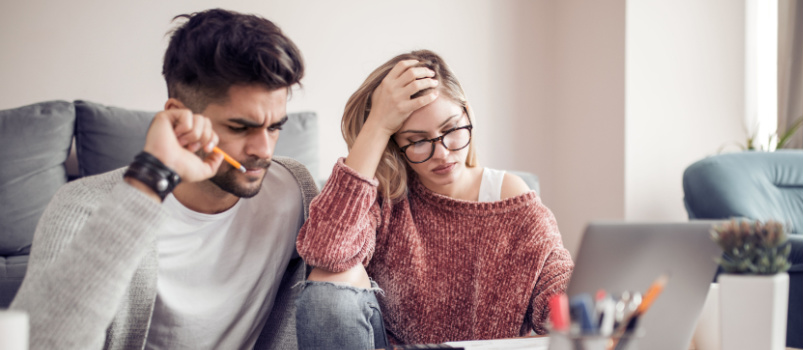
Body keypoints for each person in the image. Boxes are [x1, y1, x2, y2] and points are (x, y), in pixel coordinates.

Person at [10, 8, 316, 350]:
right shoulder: (82, 207)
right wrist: (149, 180)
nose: (264, 149)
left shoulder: (294, 189)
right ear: (177, 115)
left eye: (275, 127)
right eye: (239, 127)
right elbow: (40, 343)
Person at [295, 50, 574, 349]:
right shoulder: (382, 197)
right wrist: (377, 123)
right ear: (394, 143)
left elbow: (556, 288)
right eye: (417, 141)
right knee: (329, 282)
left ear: (468, 115)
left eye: (452, 130)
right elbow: (326, 253)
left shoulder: (510, 197)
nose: (442, 154)